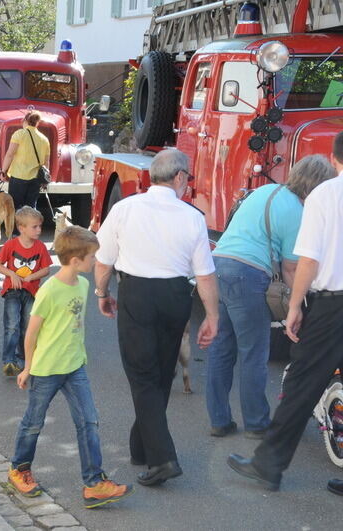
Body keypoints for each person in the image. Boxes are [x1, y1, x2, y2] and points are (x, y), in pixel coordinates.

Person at [94, 148, 219, 486]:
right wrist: (212, 315)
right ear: (179, 177)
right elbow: (205, 274)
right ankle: (142, 447)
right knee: (160, 375)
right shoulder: (192, 216)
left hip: (137, 294)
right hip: (176, 296)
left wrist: (102, 294)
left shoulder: (124, 208)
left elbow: (104, 260)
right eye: (188, 178)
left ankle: (163, 458)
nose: (187, 184)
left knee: (142, 375)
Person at [228, 132, 343, 496]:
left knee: (302, 383)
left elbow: (308, 257)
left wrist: (294, 306)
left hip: (333, 302)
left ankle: (269, 463)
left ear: (335, 158)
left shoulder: (326, 194)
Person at [206, 155, 336, 439]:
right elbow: (292, 268)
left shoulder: (265, 190)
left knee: (221, 348)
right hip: (248, 275)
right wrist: (298, 305)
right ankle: (256, 423)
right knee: (254, 352)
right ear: (317, 186)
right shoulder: (298, 212)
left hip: (217, 266)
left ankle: (219, 420)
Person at [8, 226, 133, 508]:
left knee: (88, 421)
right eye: (91, 257)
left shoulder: (85, 285)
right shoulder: (49, 291)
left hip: (75, 367)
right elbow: (31, 333)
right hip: (47, 369)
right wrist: (27, 368)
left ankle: (94, 484)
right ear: (75, 260)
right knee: (33, 423)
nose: (94, 262)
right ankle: (19, 469)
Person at [0, 206, 52, 375]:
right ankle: (9, 360)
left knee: (28, 327)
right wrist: (12, 274)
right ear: (21, 228)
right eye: (35, 227)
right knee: (12, 326)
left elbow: (46, 269)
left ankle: (24, 359)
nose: (39, 230)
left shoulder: (40, 247)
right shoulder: (11, 245)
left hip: (31, 292)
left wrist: (31, 278)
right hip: (12, 291)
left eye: (40, 226)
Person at [0, 111, 49, 210]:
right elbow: (46, 162)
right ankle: (30, 225)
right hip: (35, 179)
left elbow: (10, 154)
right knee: (31, 208)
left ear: (25, 121)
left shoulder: (19, 134)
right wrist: (45, 180)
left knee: (15, 207)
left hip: (18, 177)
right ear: (37, 123)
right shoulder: (44, 139)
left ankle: (17, 225)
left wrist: (3, 171)